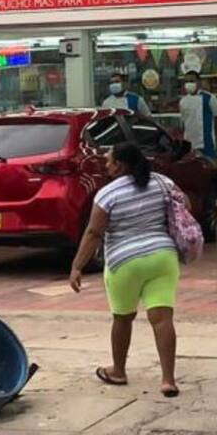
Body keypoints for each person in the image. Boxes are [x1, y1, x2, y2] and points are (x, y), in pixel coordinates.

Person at [69, 142, 181, 398]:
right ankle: (168, 380)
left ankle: (118, 370)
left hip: (124, 262)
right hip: (163, 257)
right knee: (162, 319)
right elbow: (183, 203)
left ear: (119, 165)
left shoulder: (108, 194)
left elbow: (94, 232)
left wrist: (77, 266)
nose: (106, 165)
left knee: (122, 318)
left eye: (108, 161)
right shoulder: (162, 182)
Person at [178, 70, 217, 159]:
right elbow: (184, 122)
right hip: (189, 143)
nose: (188, 84)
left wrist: (215, 133)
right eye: (186, 81)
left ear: (198, 82)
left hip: (206, 143)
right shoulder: (182, 101)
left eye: (192, 81)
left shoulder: (209, 98)